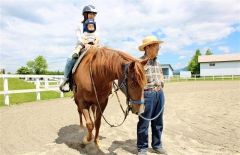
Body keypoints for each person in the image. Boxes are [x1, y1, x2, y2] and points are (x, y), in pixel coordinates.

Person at [137, 36, 166, 155]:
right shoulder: (139, 63)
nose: (158, 48)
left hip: (159, 94)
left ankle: (157, 145)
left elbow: (161, 75)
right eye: (156, 45)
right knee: (144, 122)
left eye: (158, 45)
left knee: (158, 121)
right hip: (147, 94)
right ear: (147, 47)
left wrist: (161, 84)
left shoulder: (158, 62)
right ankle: (142, 148)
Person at [60, 5, 99, 92]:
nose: (92, 15)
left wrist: (95, 44)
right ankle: (65, 80)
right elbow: (79, 37)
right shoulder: (79, 25)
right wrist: (86, 44)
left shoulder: (96, 26)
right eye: (90, 13)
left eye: (94, 14)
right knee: (70, 59)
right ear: (85, 14)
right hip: (82, 45)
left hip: (95, 46)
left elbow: (97, 37)